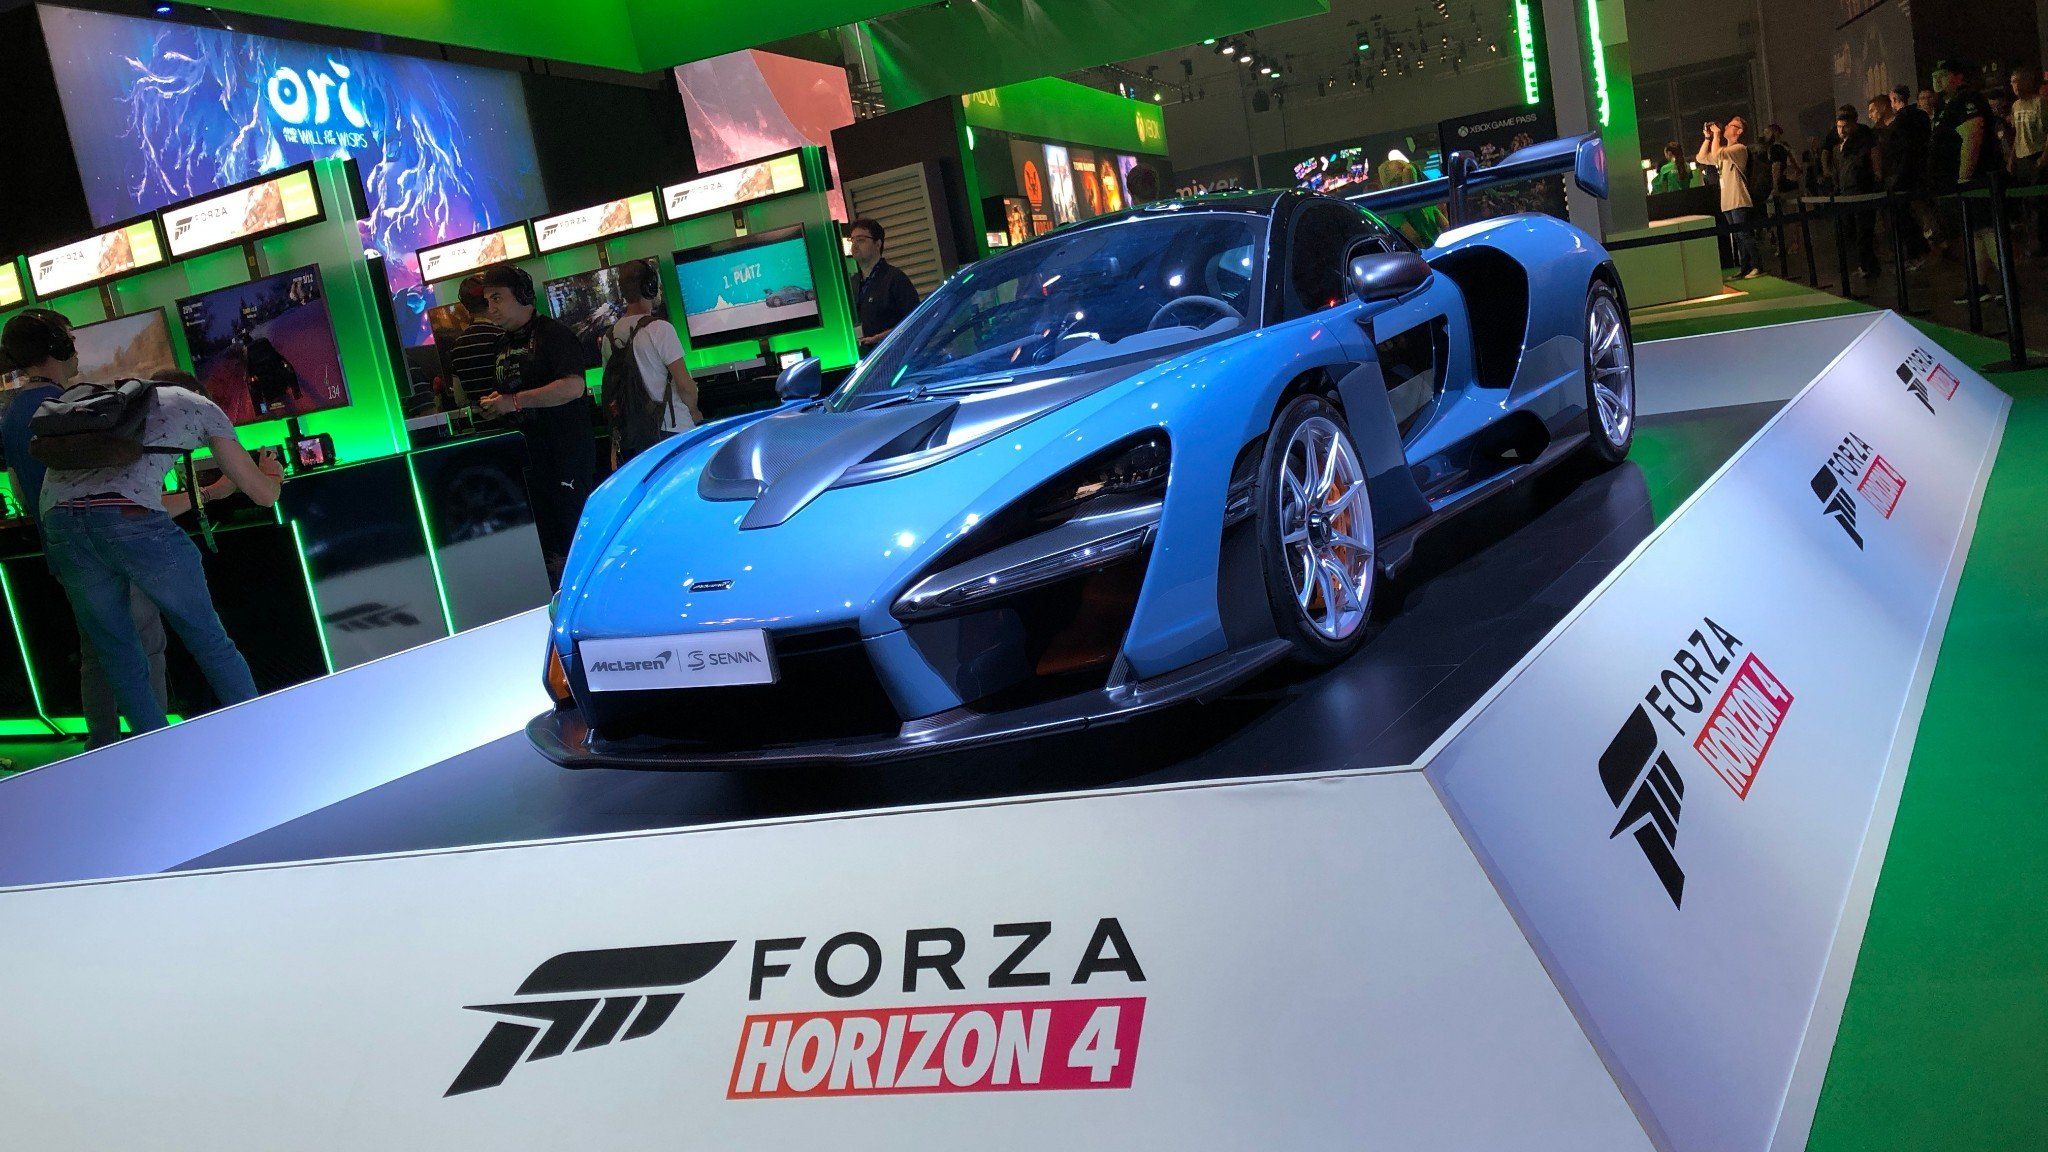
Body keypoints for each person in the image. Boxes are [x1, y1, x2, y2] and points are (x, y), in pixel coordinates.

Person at [11, 314, 283, 741]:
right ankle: (261, 732)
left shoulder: (121, 402)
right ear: (199, 392)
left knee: (118, 654)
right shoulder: (201, 407)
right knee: (207, 638)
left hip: (60, 523)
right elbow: (262, 495)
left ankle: (154, 751)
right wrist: (273, 475)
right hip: (129, 522)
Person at [475, 263, 598, 587]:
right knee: (546, 546)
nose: (491, 307)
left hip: (565, 456)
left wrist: (515, 401)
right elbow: (509, 394)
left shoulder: (555, 335)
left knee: (573, 537)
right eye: (488, 300)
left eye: (497, 297)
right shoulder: (501, 345)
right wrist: (497, 405)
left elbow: (573, 387)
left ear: (522, 295)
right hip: (528, 464)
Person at [607, 260, 700, 457]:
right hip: (674, 431)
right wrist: (694, 410)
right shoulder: (660, 329)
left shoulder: (609, 337)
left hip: (635, 438)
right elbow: (685, 386)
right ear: (650, 288)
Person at [1698, 116, 1761, 279]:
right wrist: (1707, 138)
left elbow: (1717, 153)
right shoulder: (1723, 151)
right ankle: (1744, 268)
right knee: (1738, 237)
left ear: (1739, 131)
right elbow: (1701, 157)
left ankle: (1757, 265)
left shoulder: (1739, 148)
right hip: (1727, 201)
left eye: (1731, 125)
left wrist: (1716, 135)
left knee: (1744, 234)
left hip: (1739, 199)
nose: (1726, 126)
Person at [849, 218, 920, 354]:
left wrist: (878, 338)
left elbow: (915, 321)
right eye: (852, 240)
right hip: (862, 356)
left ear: (878, 244)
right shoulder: (852, 283)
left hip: (893, 354)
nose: (854, 246)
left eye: (861, 240)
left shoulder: (895, 278)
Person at [1834, 105, 1884, 279]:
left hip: (1862, 189)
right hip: (1847, 190)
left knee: (1864, 231)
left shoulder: (1863, 139)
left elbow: (1873, 155)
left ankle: (1868, 265)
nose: (1841, 130)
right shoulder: (1842, 145)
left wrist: (1877, 175)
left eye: (1844, 126)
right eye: (1839, 127)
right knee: (1854, 231)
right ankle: (1867, 264)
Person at [444, 274, 505, 410]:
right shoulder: (503, 336)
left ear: (466, 306)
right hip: (511, 416)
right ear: (489, 300)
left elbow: (460, 399)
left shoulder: (457, 346)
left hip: (479, 419)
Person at [1891, 84, 1939, 256]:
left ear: (1895, 100)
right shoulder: (1922, 117)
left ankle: (1924, 245)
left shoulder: (1900, 121)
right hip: (1926, 166)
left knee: (1912, 209)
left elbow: (1902, 149)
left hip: (1909, 172)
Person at [2009, 67, 2046, 256]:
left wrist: (2044, 158)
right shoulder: (2016, 106)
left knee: (2038, 201)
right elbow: (2017, 134)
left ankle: (2042, 242)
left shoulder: (2040, 102)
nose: (2014, 86)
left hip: (2037, 154)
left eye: (2017, 81)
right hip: (2022, 157)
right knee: (2026, 202)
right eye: (2012, 82)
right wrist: (2012, 158)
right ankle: (2032, 240)